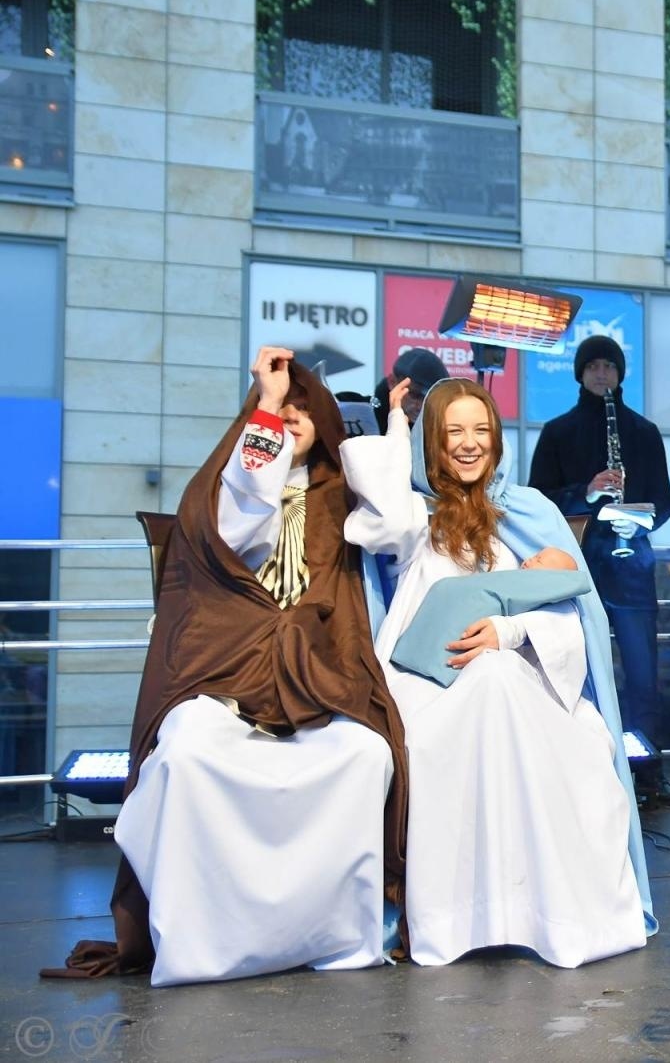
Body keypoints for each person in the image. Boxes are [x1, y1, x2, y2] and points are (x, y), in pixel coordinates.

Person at [48, 347, 406, 987]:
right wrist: (267, 406)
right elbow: (240, 523)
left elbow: (391, 526)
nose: (293, 416)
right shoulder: (228, 483)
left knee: (364, 755)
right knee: (186, 755)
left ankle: (334, 933)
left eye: (305, 408)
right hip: (226, 677)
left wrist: (392, 431)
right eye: (281, 408)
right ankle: (205, 942)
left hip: (316, 679)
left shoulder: (338, 496)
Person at [342, 376, 654, 967]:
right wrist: (395, 425)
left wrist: (506, 632)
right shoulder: (415, 516)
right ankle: (462, 919)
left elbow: (567, 613)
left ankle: (548, 916)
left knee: (532, 706)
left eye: (481, 430)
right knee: (476, 699)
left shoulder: (529, 511)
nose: (468, 444)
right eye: (452, 431)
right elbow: (378, 516)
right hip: (428, 684)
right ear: (431, 441)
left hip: (523, 673)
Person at [528, 335, 670, 808]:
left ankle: (646, 774)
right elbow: (539, 499)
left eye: (609, 367)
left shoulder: (643, 431)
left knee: (642, 675)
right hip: (579, 563)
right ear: (580, 373)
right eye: (593, 366)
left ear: (620, 374)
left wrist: (636, 518)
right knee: (577, 669)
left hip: (631, 563)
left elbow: (664, 502)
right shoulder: (558, 431)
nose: (601, 374)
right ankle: (582, 768)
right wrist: (588, 491)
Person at [374, 348, 450, 434]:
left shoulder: (441, 431)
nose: (421, 406)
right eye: (415, 395)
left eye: (429, 400)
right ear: (392, 382)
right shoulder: (364, 422)